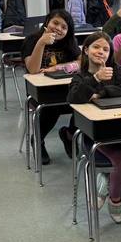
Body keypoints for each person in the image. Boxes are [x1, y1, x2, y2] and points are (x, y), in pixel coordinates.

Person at [68, 32, 121, 224]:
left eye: (106, 49)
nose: (101, 52)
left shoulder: (116, 70)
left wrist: (102, 92)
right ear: (86, 50)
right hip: (99, 135)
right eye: (96, 47)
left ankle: (106, 181)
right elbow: (74, 97)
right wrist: (95, 79)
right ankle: (115, 199)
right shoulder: (80, 76)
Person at [22, 9, 81, 165]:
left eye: (64, 27)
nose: (58, 29)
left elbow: (83, 62)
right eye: (55, 23)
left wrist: (59, 67)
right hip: (40, 93)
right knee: (52, 107)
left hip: (67, 90)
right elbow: (33, 69)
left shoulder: (69, 42)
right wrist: (41, 42)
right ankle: (38, 140)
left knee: (84, 102)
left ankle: (69, 134)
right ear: (47, 22)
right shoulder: (32, 39)